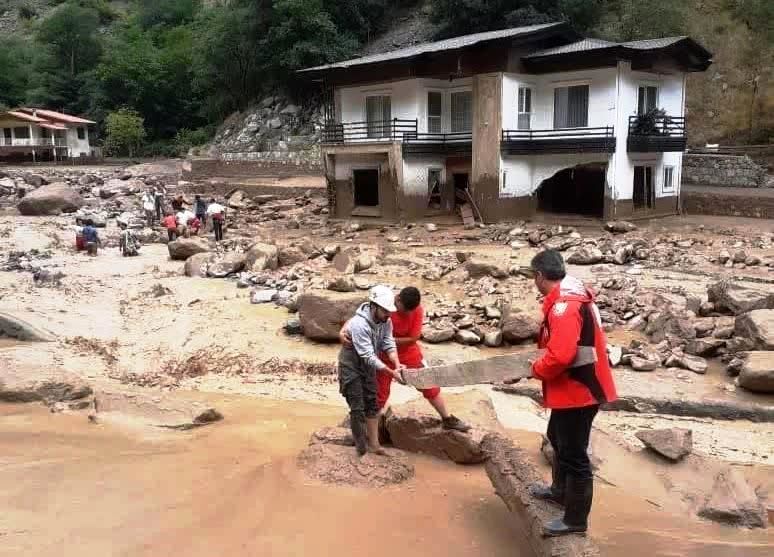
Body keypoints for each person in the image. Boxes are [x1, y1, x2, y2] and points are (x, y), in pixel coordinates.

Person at [505, 250, 617, 537]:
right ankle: (559, 492)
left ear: (539, 276)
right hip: (574, 387)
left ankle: (575, 519)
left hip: (579, 390)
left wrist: (533, 369)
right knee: (556, 437)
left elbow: (560, 356)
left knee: (574, 454)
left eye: (533, 277)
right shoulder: (571, 294)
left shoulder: (564, 307)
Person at [340, 286, 470, 432]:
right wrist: (343, 331)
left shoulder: (416, 310)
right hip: (381, 354)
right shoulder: (384, 303)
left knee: (429, 384)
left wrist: (384, 340)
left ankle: (447, 419)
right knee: (379, 394)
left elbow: (413, 338)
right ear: (398, 299)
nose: (408, 313)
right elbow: (358, 318)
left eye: (411, 310)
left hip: (408, 353)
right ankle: (371, 433)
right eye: (405, 310)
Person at [338, 285, 406, 457]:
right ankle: (361, 449)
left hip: (368, 366)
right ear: (373, 306)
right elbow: (367, 355)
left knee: (372, 404)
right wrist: (391, 373)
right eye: (385, 311)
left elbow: (388, 343)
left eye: (389, 311)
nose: (388, 315)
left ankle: (375, 445)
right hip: (351, 364)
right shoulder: (359, 324)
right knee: (357, 407)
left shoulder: (386, 321)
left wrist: (397, 364)